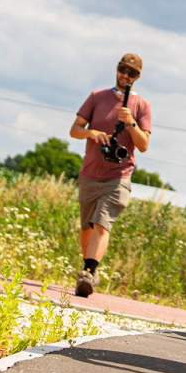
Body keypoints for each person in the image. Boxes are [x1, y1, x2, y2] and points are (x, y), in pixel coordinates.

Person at [69, 53, 152, 297]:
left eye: (132, 73)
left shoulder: (141, 106)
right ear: (117, 70)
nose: (126, 76)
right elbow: (74, 130)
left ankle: (88, 271)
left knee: (102, 224)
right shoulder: (97, 97)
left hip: (119, 176)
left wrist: (131, 124)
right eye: (123, 70)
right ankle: (89, 269)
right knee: (87, 227)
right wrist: (92, 134)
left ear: (138, 77)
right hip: (91, 173)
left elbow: (144, 144)